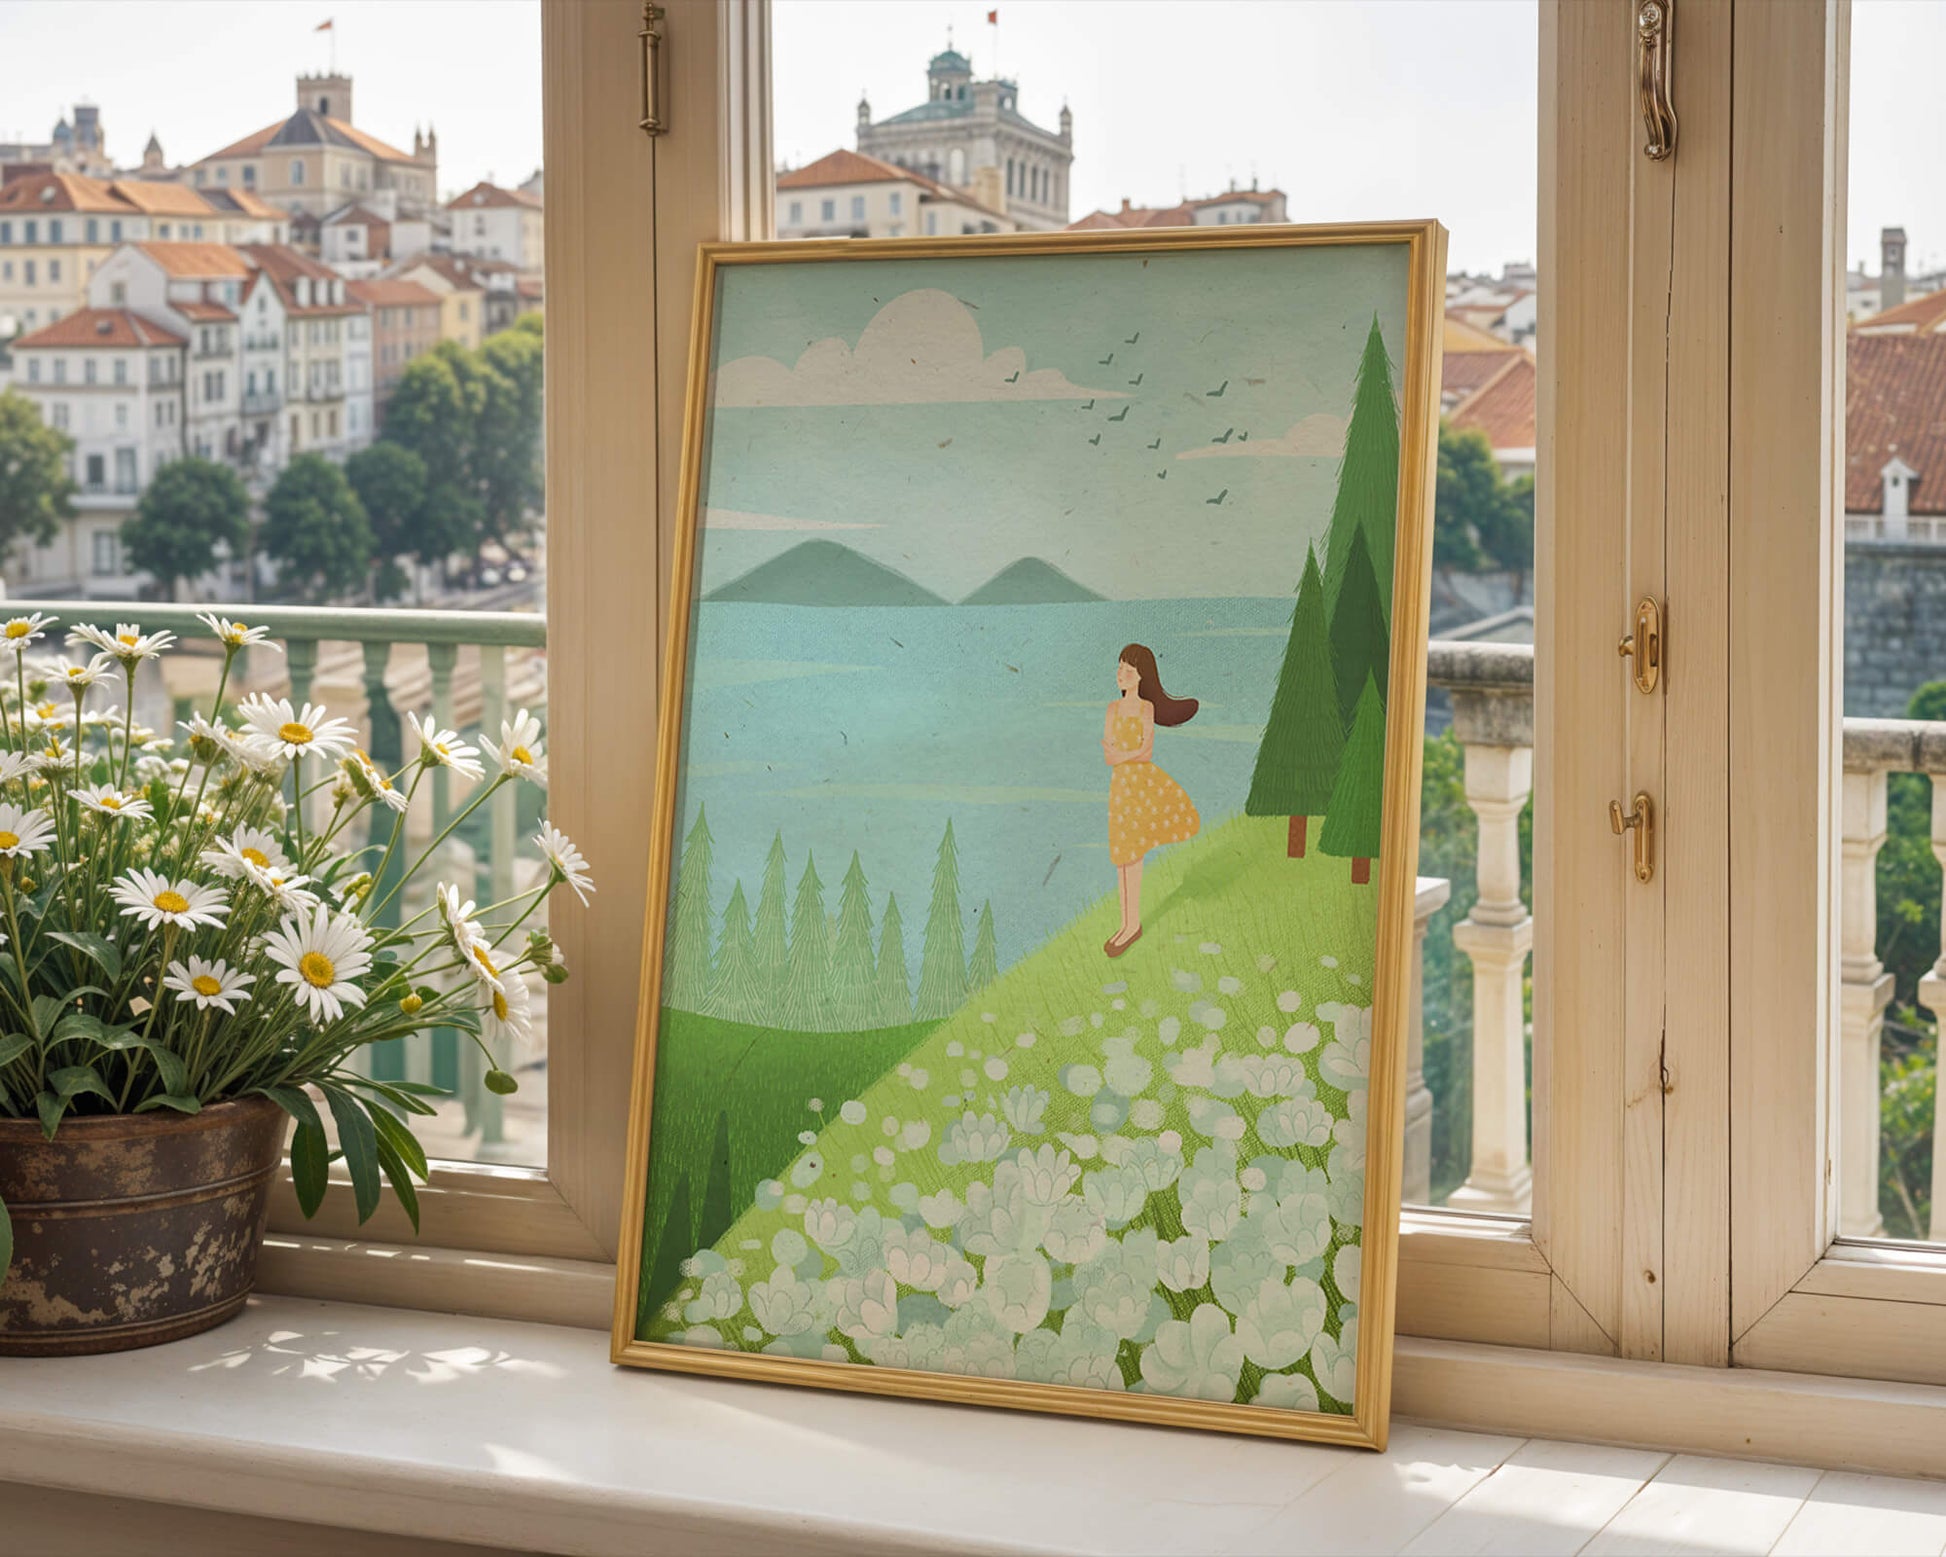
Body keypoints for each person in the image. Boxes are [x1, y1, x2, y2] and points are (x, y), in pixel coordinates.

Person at [1102, 642, 1200, 957]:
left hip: (1141, 787)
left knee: (1135, 853)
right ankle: (1126, 922)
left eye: (1127, 671)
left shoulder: (1147, 709)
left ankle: (1132, 925)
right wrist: (1124, 754)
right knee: (1122, 856)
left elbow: (1145, 751)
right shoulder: (1112, 709)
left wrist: (1124, 754)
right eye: (1119, 668)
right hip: (1120, 788)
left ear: (1141, 676)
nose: (1120, 675)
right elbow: (1108, 752)